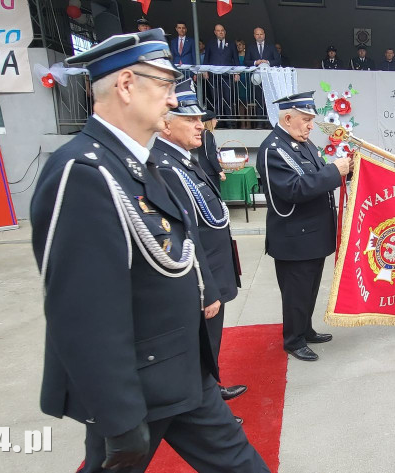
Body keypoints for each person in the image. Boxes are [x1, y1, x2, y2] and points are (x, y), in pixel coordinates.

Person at [29, 29, 268, 472]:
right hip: (137, 386)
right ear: (124, 85)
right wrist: (118, 419)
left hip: (182, 373)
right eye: (163, 85)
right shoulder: (84, 172)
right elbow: (81, 314)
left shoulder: (142, 163)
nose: (173, 100)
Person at [150, 77, 248, 424]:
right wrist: (206, 288)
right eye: (190, 119)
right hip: (200, 278)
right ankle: (204, 405)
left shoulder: (185, 158)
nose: (199, 125)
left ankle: (209, 386)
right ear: (165, 124)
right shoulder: (164, 165)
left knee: (209, 343)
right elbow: (185, 235)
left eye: (199, 119)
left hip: (213, 268)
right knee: (198, 344)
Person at [256, 92, 351, 362]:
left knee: (309, 290)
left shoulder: (302, 143)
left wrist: (348, 169)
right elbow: (294, 189)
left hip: (312, 236)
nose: (311, 126)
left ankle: (305, 329)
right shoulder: (273, 149)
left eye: (311, 120)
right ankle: (293, 340)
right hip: (294, 239)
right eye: (306, 119)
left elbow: (318, 174)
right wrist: (335, 171)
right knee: (296, 293)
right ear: (288, 118)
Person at [203, 24, 236, 118]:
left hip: (227, 75)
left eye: (222, 30)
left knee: (228, 98)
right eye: (218, 31)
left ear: (225, 32)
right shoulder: (210, 44)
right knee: (216, 98)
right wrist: (205, 71)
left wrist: (237, 72)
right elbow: (206, 58)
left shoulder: (231, 44)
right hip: (214, 75)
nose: (220, 32)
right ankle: (218, 120)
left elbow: (235, 59)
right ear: (215, 32)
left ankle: (230, 122)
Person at [198, 109, 225, 183]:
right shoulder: (207, 134)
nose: (216, 121)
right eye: (215, 119)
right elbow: (210, 154)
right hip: (209, 172)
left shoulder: (202, 133)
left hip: (205, 169)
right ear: (209, 121)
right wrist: (220, 171)